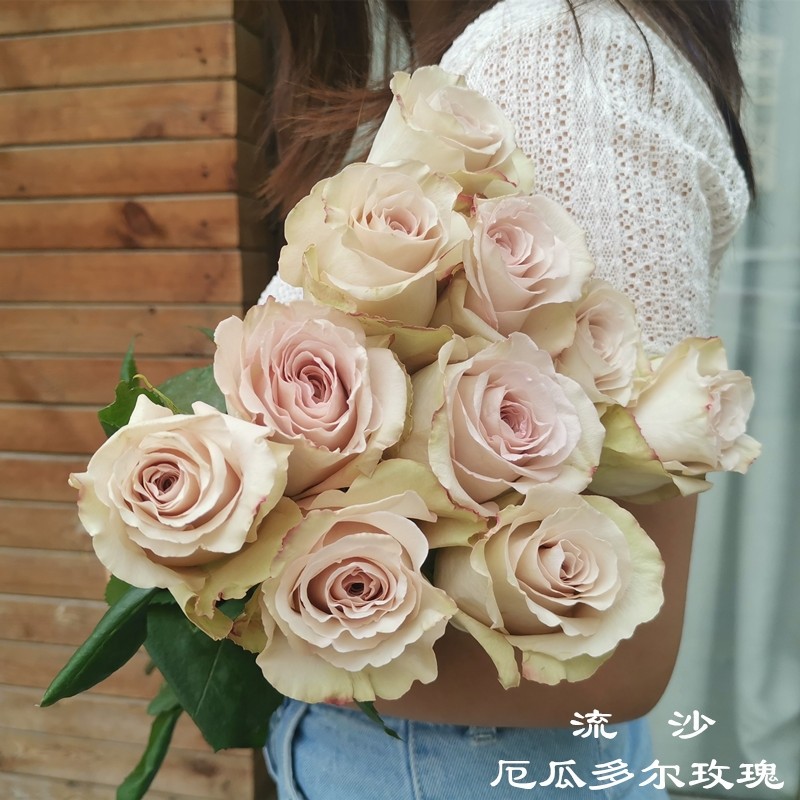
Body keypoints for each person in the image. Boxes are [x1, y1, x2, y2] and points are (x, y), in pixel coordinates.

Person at [258, 0, 754, 797]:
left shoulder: (561, 54)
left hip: (450, 763)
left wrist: (262, 634)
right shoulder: (547, 52)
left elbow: (620, 662)